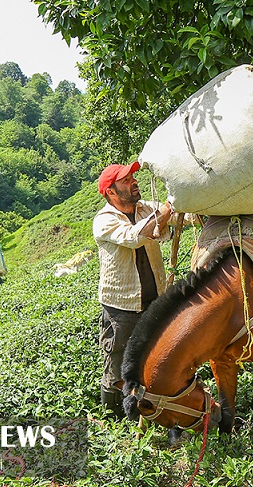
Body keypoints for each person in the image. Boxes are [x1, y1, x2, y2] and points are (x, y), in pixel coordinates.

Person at [93, 161, 174, 419]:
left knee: (153, 354)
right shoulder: (104, 220)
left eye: (132, 177)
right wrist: (165, 212)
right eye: (126, 180)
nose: (133, 181)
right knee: (117, 361)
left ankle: (151, 408)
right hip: (122, 306)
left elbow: (170, 221)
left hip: (154, 299)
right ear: (112, 193)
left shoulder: (144, 208)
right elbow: (134, 237)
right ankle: (112, 416)